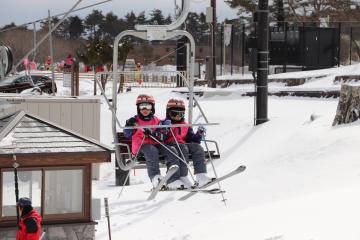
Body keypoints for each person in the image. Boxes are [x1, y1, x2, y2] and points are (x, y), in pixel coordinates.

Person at [124, 94, 183, 189]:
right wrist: (128, 126)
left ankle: (173, 180)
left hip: (156, 144)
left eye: (148, 106)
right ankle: (156, 177)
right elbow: (127, 135)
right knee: (151, 150)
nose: (145, 109)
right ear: (138, 108)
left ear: (152, 107)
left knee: (171, 150)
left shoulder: (156, 121)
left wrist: (159, 129)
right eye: (142, 106)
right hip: (141, 147)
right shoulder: (134, 121)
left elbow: (161, 136)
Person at [164, 98, 211, 188]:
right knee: (183, 148)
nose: (178, 116)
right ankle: (182, 176)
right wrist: (165, 128)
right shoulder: (165, 124)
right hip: (170, 145)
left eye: (181, 114)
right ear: (168, 113)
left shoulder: (185, 125)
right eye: (174, 113)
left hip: (183, 145)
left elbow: (192, 139)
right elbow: (161, 137)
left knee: (197, 148)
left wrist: (199, 133)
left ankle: (201, 176)